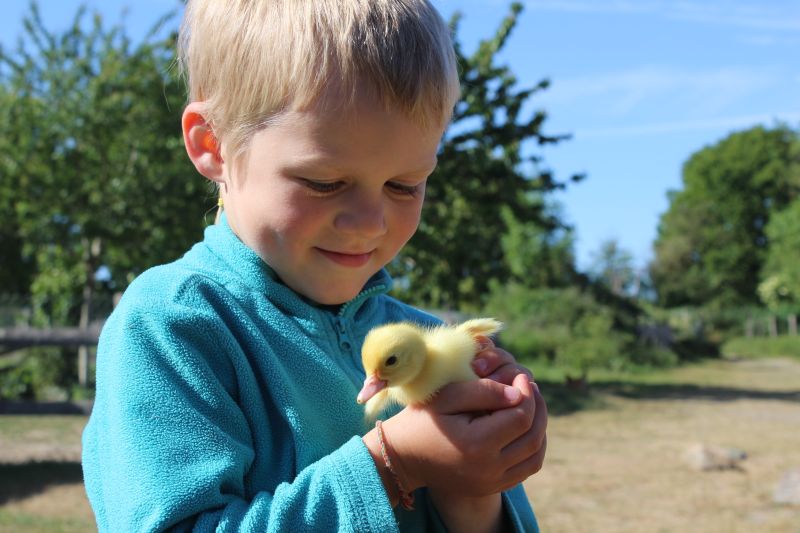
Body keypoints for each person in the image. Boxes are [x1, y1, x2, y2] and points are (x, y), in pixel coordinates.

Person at [82, 0, 548, 531]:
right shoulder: (174, 324)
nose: (370, 223)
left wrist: (475, 486)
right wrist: (391, 466)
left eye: (405, 185)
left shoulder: (418, 340)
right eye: (324, 182)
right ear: (212, 144)